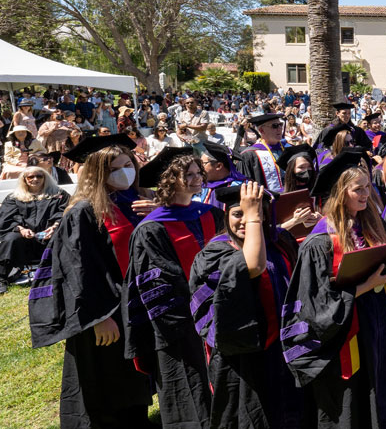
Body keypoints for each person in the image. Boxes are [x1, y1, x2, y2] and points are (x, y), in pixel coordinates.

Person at [27, 135, 153, 429]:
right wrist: (99, 317)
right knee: (104, 375)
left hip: (135, 304)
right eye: (115, 168)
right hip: (104, 308)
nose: (125, 171)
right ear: (98, 174)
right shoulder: (84, 211)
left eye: (128, 164)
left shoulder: (136, 201)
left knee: (133, 372)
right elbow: (77, 269)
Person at [281, 155, 386, 429]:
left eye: (368, 187)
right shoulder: (319, 243)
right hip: (346, 334)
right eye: (358, 189)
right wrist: (366, 285)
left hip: (379, 326)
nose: (366, 194)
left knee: (382, 392)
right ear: (341, 193)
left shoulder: (367, 227)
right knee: (356, 401)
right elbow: (316, 306)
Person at [123, 146, 224, 429]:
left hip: (220, 311)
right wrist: (200, 304)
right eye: (187, 175)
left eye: (197, 173)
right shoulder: (151, 228)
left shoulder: (211, 214)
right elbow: (157, 280)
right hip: (181, 322)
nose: (196, 178)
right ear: (169, 180)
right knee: (190, 383)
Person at [188, 182, 302, 429]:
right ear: (226, 215)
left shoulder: (281, 242)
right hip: (241, 352)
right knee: (248, 416)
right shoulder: (216, 252)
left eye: (256, 212)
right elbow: (252, 266)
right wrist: (252, 219)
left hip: (283, 349)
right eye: (237, 214)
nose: (244, 220)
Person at [0, 165, 66, 295]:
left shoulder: (58, 194)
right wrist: (21, 229)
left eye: (39, 176)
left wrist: (54, 227)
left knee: (62, 235)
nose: (35, 179)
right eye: (31, 176)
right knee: (10, 239)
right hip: (24, 239)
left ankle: (64, 273)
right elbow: (5, 219)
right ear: (24, 179)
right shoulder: (14, 197)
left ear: (45, 178)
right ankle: (3, 279)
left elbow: (66, 213)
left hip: (50, 236)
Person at [239, 113, 288, 192]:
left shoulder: (288, 148)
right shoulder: (250, 155)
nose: (279, 128)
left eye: (280, 124)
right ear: (261, 130)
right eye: (275, 126)